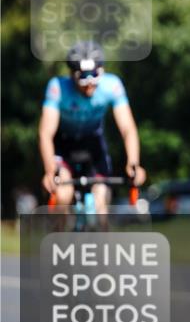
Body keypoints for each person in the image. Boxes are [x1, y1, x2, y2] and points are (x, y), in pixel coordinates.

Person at [39, 41, 146, 213]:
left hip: (93, 144)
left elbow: (128, 129)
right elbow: (46, 133)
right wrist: (50, 171)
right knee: (63, 194)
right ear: (71, 74)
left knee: (101, 200)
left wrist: (133, 164)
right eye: (82, 77)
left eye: (95, 75)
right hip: (64, 145)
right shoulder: (57, 88)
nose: (89, 83)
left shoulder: (112, 85)